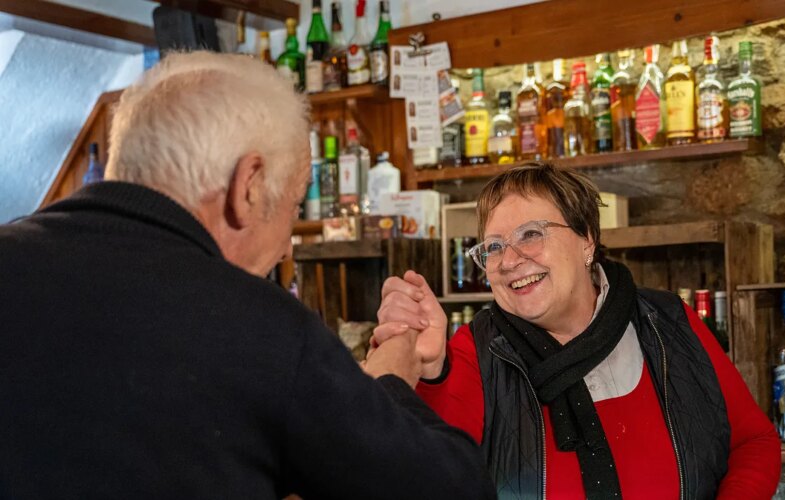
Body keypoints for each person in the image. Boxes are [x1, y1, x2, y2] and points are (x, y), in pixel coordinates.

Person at [0, 51, 494, 500]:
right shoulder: (262, 328)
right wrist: (388, 386)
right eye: (294, 204)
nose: (285, 247)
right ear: (249, 186)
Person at [375, 163, 781, 499]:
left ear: (586, 238)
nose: (509, 260)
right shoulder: (476, 351)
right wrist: (428, 370)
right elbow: (426, 474)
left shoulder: (668, 322)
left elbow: (754, 443)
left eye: (530, 234)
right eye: (493, 247)